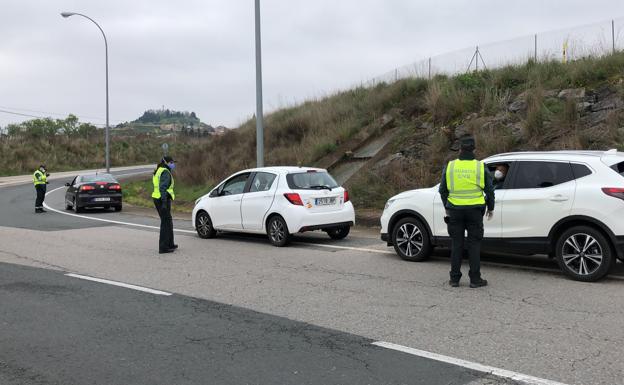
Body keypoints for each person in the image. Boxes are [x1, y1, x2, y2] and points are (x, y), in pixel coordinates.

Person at [439, 137, 495, 288]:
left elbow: (442, 190)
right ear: (474, 150)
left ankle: (454, 279)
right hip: (475, 212)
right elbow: (489, 190)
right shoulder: (480, 167)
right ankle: (475, 279)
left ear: (460, 150)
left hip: (455, 212)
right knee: (474, 245)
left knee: (456, 244)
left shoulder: (450, 166)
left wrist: (447, 206)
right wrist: (491, 207)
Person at [152, 156, 177, 254]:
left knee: (168, 221)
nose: (173, 164)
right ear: (166, 162)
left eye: (173, 162)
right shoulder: (165, 172)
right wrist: (164, 203)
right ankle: (163, 247)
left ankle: (170, 243)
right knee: (165, 223)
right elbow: (162, 188)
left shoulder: (159, 170)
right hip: (162, 199)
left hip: (158, 198)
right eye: (171, 162)